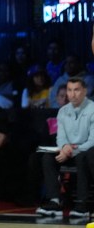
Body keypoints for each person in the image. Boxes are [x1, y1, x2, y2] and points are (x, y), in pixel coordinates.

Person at [36, 78, 94, 219]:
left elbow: (92, 140)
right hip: (69, 151)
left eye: (76, 90)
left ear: (84, 91)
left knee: (83, 156)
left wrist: (71, 151)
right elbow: (60, 137)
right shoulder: (62, 111)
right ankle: (54, 201)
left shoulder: (92, 108)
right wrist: (64, 147)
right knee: (48, 157)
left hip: (88, 152)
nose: (72, 94)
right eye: (69, 90)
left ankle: (82, 204)